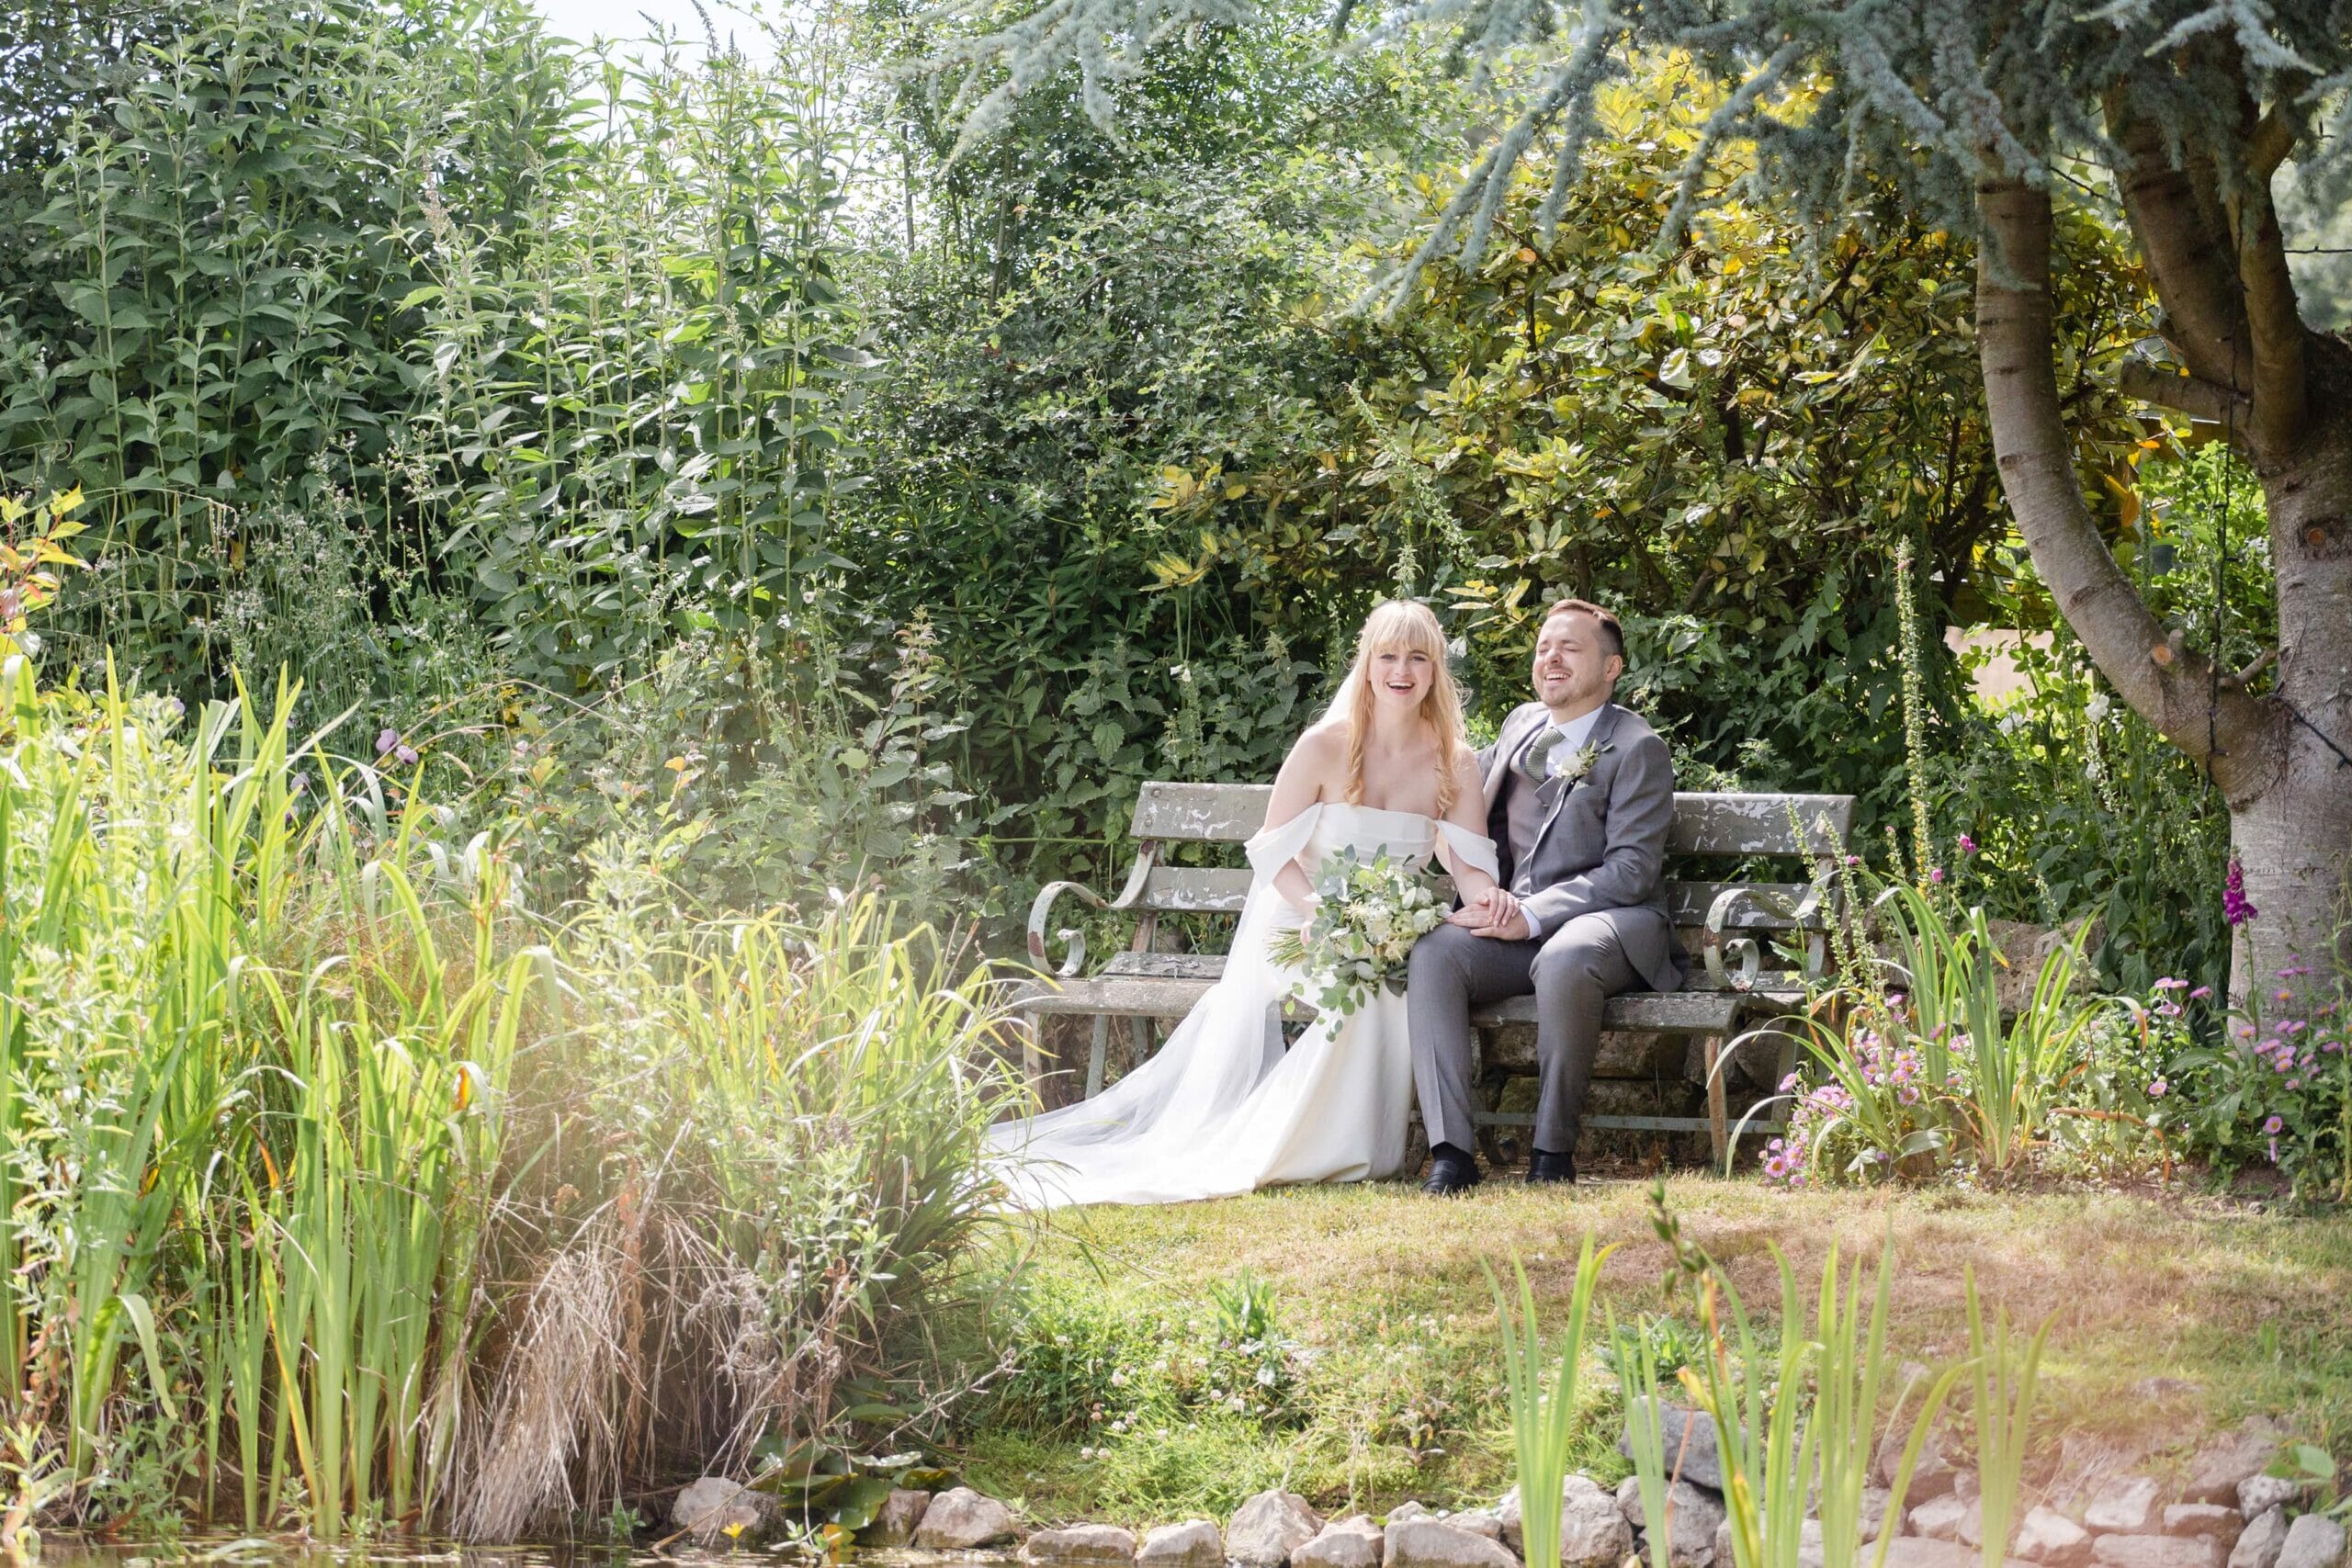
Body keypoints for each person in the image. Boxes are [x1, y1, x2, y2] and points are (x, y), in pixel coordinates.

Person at [988, 600, 1502, 1209]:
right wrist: (1317, 910)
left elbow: (1468, 862)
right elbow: (1270, 849)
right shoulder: (1324, 746)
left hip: (1386, 930)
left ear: (1436, 668)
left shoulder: (1456, 760)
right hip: (1299, 920)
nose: (1402, 669)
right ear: (1366, 665)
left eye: (1418, 657)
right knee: (1361, 990)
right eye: (1388, 655)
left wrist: (1486, 898)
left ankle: (1359, 1147)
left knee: (1392, 983)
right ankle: (1306, 1146)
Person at [1406, 598, 1681, 1193]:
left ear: (1611, 668)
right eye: (1543, 647)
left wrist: (1532, 915)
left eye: (1570, 647)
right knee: (1435, 951)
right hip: (1515, 921)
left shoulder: (1637, 748)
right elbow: (1459, 797)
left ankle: (1551, 1154)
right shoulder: (1520, 723)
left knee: (1562, 957)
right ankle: (1451, 1153)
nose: (1550, 657)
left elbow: (1632, 871)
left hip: (1608, 926)